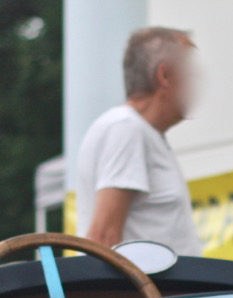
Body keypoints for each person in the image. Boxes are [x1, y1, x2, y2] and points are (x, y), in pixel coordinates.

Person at [75, 26, 203, 256]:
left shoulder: (137, 131)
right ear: (164, 75)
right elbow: (103, 239)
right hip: (143, 282)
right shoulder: (126, 129)